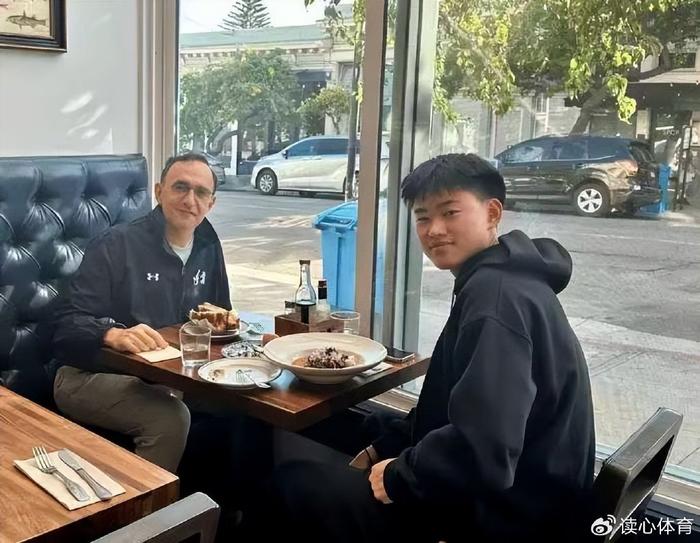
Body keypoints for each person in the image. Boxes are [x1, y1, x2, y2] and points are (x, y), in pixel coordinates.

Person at [261, 153, 596, 542]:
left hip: (505, 518)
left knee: (293, 482)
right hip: (525, 498)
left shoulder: (495, 300)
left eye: (450, 212)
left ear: (492, 213)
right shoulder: (505, 280)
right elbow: (457, 402)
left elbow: (486, 447)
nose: (434, 229)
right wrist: (387, 446)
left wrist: (399, 476)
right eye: (422, 218)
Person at [51, 152, 230, 472]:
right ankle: (149, 506)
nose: (190, 200)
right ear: (159, 192)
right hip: (87, 375)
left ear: (211, 203)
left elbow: (221, 315)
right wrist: (111, 334)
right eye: (180, 187)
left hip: (168, 376)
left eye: (201, 192)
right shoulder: (115, 244)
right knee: (170, 417)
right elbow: (65, 326)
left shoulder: (208, 242)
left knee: (244, 402)